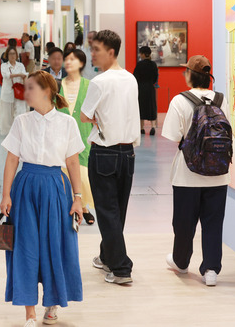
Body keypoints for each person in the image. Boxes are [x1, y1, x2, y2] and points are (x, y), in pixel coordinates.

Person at [1, 70, 84, 327]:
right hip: (25, 186)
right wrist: (5, 194)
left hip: (55, 187)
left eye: (30, 88)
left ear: (46, 91)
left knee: (55, 246)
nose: (25, 93)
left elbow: (72, 161)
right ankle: (29, 312)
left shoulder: (67, 122)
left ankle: (52, 303)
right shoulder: (21, 121)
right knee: (25, 247)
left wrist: (78, 197)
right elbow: (12, 159)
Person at [161, 55, 230, 287]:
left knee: (183, 222)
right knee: (213, 222)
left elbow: (172, 137)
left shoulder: (180, 101)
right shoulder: (222, 100)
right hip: (219, 174)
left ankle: (181, 262)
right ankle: (211, 270)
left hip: (187, 175)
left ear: (190, 74)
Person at [80, 30, 140, 285]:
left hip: (104, 152)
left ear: (111, 52)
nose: (92, 54)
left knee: (107, 211)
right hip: (128, 153)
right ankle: (107, 255)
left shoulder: (99, 82)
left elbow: (84, 115)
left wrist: (98, 118)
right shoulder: (131, 79)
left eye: (96, 50)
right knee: (118, 210)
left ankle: (121, 268)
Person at [59, 49, 95, 225]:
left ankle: (84, 206)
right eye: (66, 59)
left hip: (84, 137)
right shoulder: (57, 85)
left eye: (72, 59)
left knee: (83, 175)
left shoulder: (89, 85)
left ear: (81, 63)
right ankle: (71, 206)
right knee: (64, 173)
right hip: (61, 139)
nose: (68, 62)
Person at [0, 46, 28, 134]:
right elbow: (6, 75)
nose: (12, 56)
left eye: (14, 53)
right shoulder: (4, 65)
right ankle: (8, 133)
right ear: (7, 55)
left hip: (19, 91)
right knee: (7, 115)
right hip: (8, 92)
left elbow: (24, 76)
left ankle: (18, 132)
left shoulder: (21, 65)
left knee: (20, 112)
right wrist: (19, 74)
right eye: (10, 54)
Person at [134, 46, 159, 135]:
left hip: (141, 88)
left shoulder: (139, 64)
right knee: (151, 106)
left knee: (141, 107)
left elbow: (135, 77)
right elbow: (155, 77)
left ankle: (141, 128)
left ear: (143, 54)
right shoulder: (153, 64)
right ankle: (153, 127)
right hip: (150, 88)